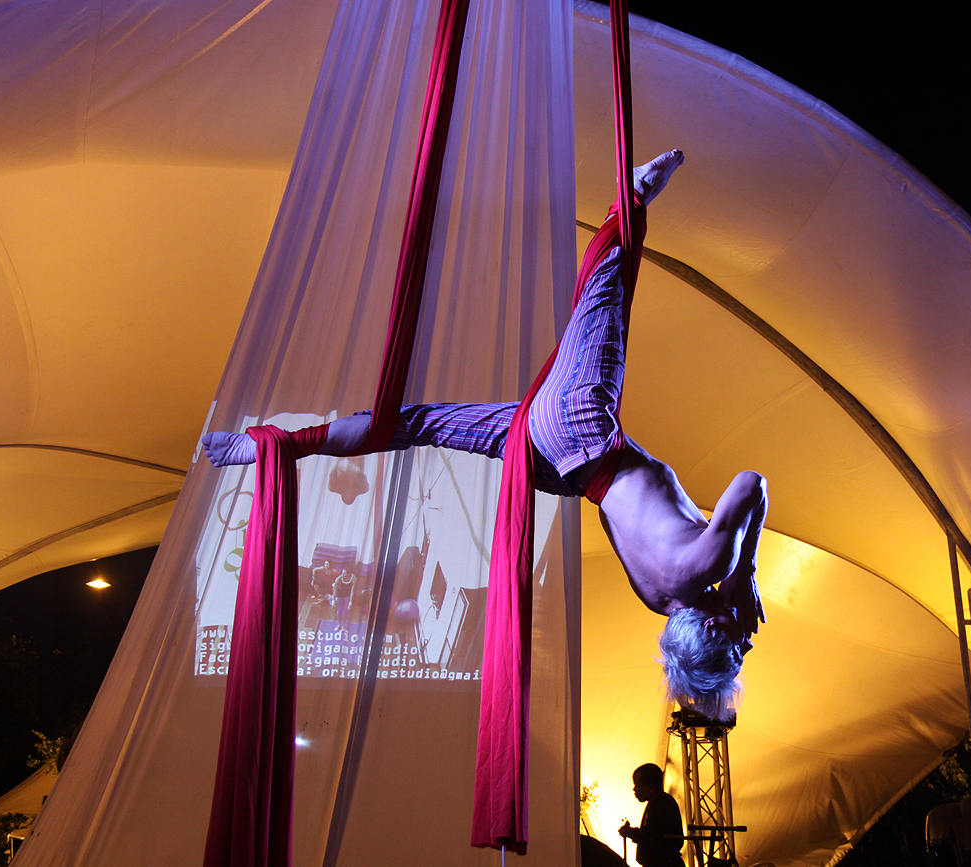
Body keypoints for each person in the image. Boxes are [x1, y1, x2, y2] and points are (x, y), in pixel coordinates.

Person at [202, 150, 766, 719]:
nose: (747, 638)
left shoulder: (710, 568)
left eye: (738, 646)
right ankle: (274, 445)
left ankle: (635, 193)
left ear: (715, 622)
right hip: (552, 468)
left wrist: (744, 574)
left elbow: (751, 484)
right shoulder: (658, 599)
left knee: (605, 296)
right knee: (419, 424)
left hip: (583, 434)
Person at [618, 763, 684, 867]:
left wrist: (632, 832)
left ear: (650, 787)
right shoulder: (657, 803)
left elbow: (653, 837)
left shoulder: (663, 805)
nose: (634, 789)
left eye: (638, 785)